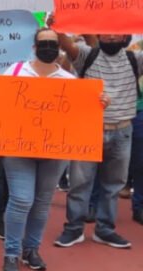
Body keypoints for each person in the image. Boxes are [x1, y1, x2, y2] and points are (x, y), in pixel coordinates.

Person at [0, 28, 108, 271]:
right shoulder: (16, 71)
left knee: (42, 203)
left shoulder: (69, 81)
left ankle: (31, 249)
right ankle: (11, 253)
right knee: (20, 199)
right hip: (18, 149)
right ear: (34, 46)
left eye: (53, 43)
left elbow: (80, 117)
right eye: (44, 43)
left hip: (54, 152)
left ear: (58, 47)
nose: (49, 47)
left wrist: (98, 104)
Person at [53, 32, 141, 249]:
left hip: (122, 130)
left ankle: (105, 230)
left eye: (116, 34)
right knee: (80, 183)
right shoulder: (86, 55)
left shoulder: (135, 59)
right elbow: (66, 45)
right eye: (106, 33)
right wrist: (58, 27)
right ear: (99, 34)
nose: (111, 38)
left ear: (124, 37)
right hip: (88, 129)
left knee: (114, 185)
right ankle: (73, 229)